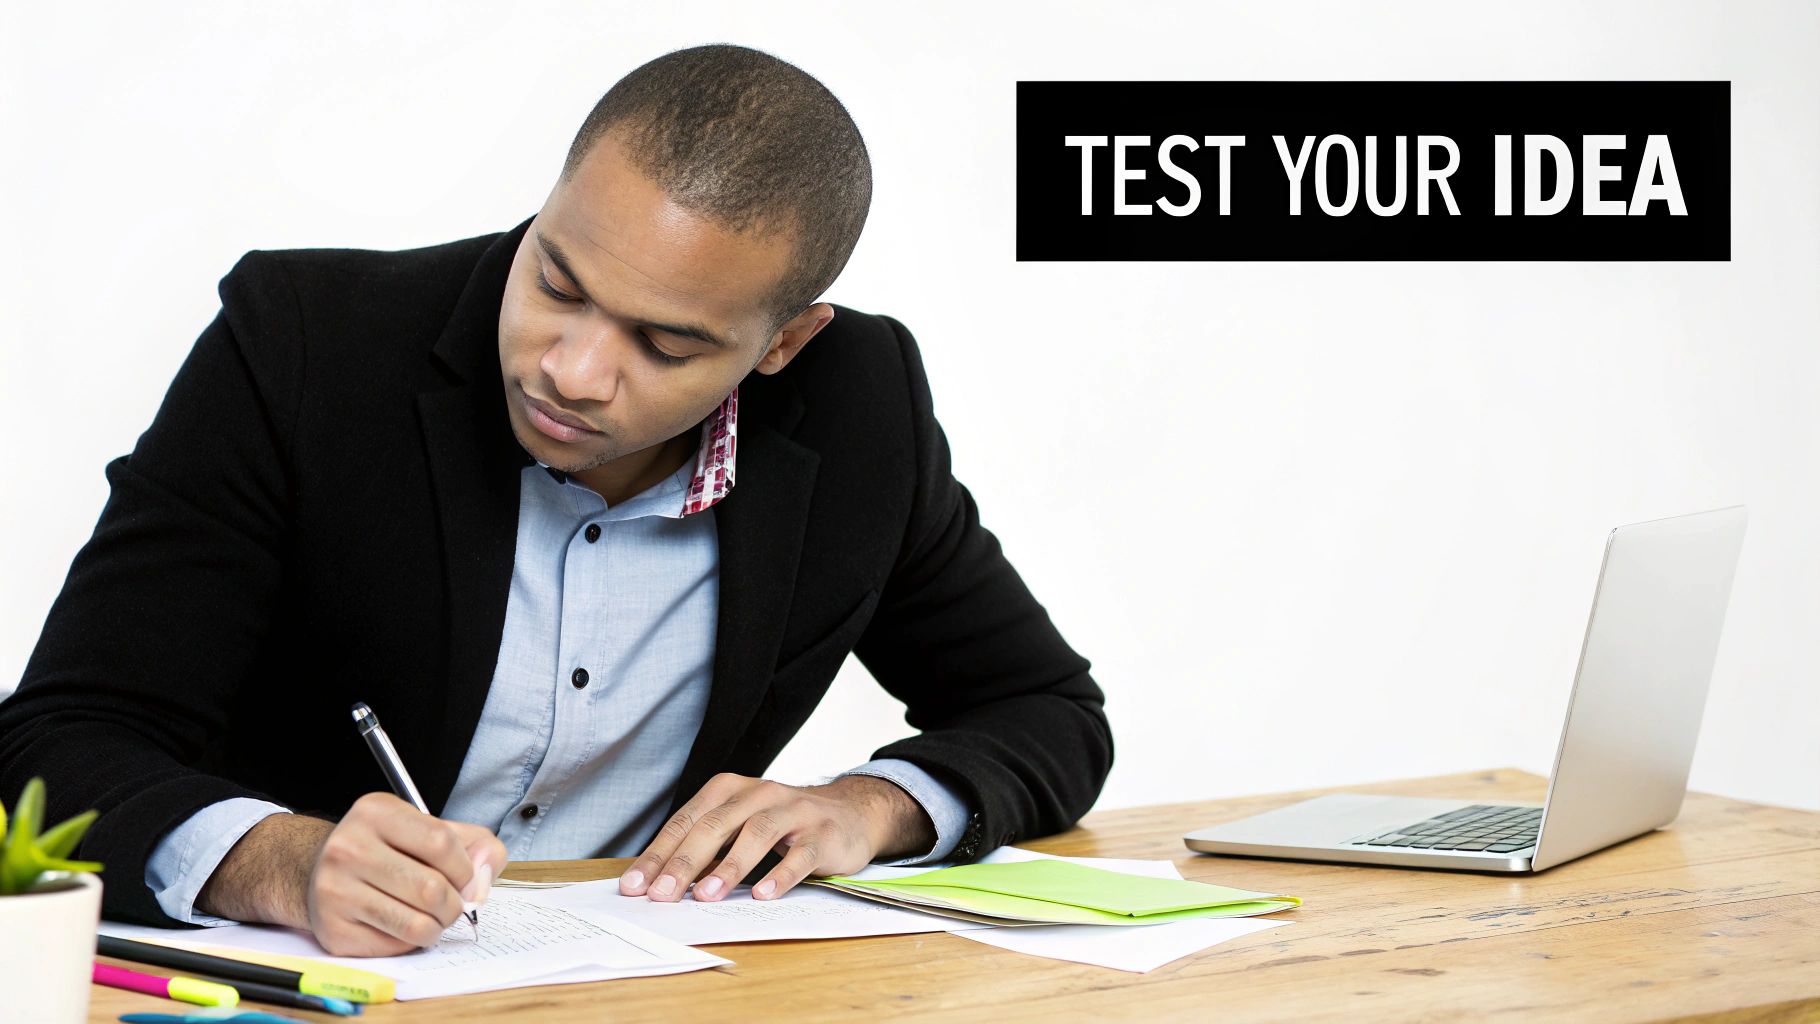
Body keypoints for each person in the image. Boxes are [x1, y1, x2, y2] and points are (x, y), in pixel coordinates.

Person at [0, 43, 1110, 957]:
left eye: (665, 342)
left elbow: (1047, 711)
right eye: (557, 283)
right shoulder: (303, 347)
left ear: (783, 343)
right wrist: (280, 862)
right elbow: (56, 740)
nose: (571, 370)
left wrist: (864, 810)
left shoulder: (860, 405)